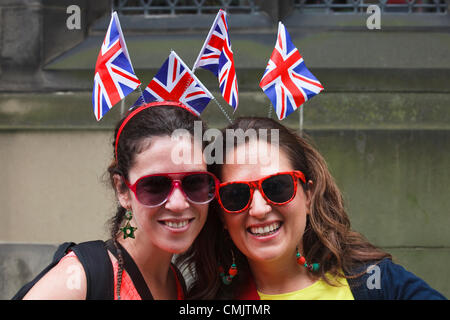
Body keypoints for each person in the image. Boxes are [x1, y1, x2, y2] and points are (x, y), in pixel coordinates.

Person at [185, 116, 446, 300]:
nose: (259, 209)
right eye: (236, 194)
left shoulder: (378, 282)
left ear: (308, 196)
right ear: (220, 212)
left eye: (277, 187)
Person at [15, 101, 219, 300]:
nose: (178, 203)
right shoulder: (78, 280)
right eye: (155, 185)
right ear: (122, 189)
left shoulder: (174, 282)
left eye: (194, 182)